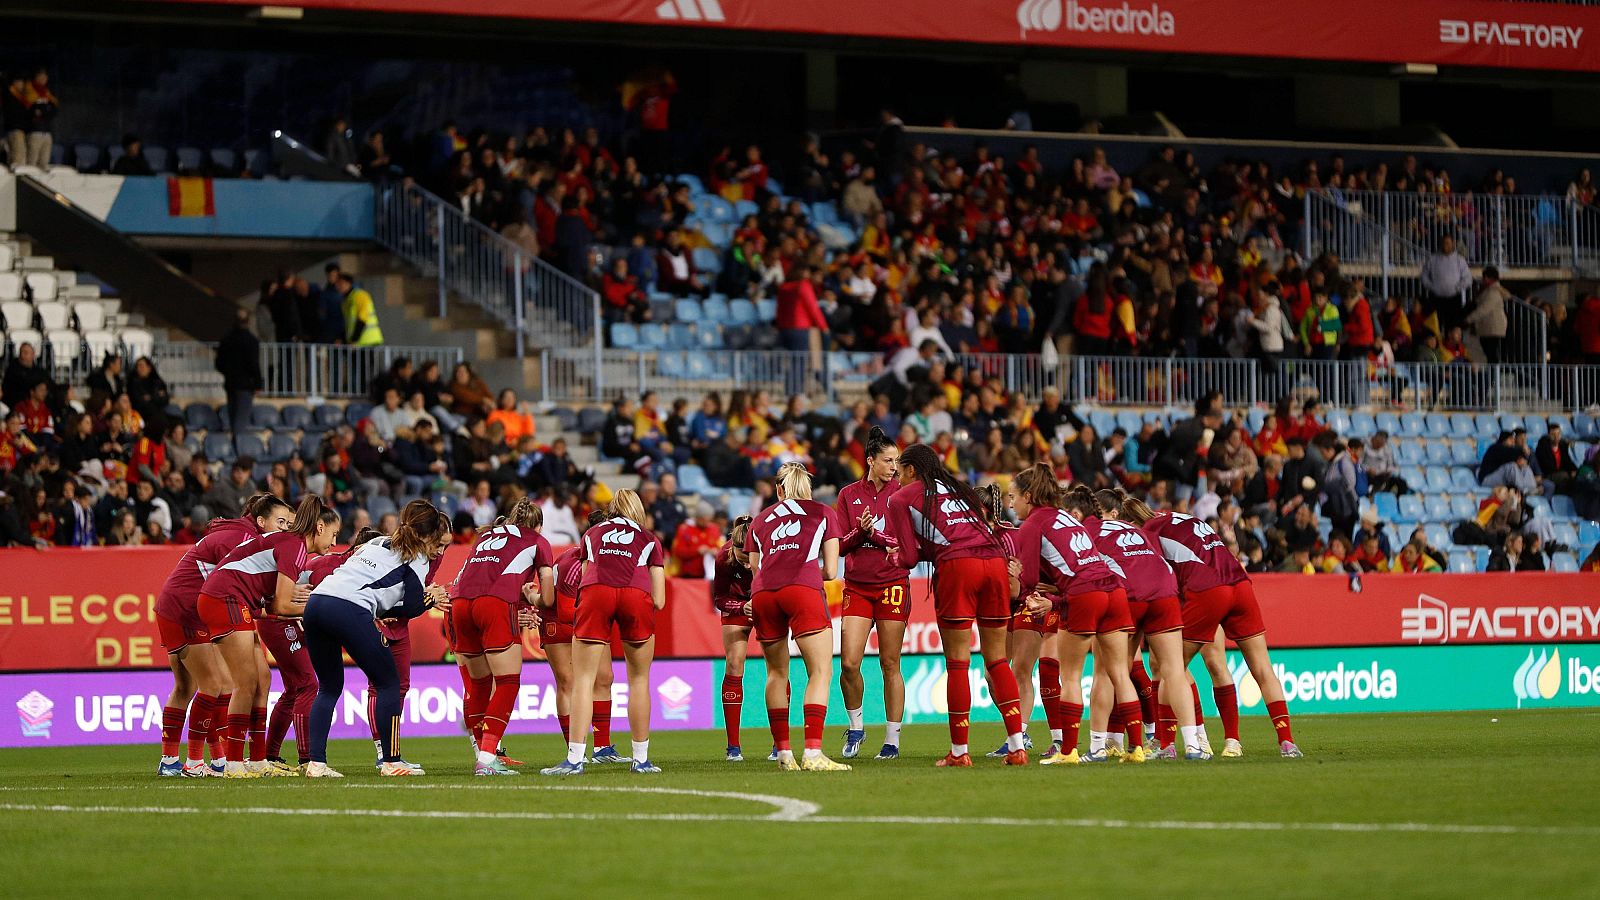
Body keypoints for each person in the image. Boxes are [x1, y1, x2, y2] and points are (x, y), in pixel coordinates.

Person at [1124, 497, 1303, 759]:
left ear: (1130, 523)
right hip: (1240, 585)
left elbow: (1156, 576)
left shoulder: (1148, 531)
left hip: (1208, 591)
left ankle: (1166, 744)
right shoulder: (1181, 517)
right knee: (1262, 668)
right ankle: (1286, 742)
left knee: (1168, 667)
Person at [884, 444, 1028, 768]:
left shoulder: (901, 498)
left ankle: (960, 752)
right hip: (994, 563)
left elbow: (907, 558)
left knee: (958, 664)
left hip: (957, 569)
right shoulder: (962, 490)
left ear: (911, 470)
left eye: (900, 473)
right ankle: (1017, 746)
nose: (897, 480)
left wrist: (894, 555)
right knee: (998, 661)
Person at [301, 500, 449, 777]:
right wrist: (432, 598)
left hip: (316, 604)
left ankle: (316, 763)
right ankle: (392, 761)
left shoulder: (375, 543)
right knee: (389, 683)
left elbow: (370, 591)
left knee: (328, 688)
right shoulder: (414, 556)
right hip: (347, 609)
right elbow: (414, 606)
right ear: (427, 536)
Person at [1008, 465, 1144, 765]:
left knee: (1069, 676)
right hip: (1114, 590)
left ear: (1028, 497)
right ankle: (1136, 748)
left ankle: (1067, 750)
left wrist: (1016, 575)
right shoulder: (1066, 517)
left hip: (1085, 596)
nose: (1010, 504)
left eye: (1013, 496)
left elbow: (1028, 581)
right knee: (1120, 673)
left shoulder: (1031, 525)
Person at [196, 495, 339, 777]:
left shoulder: (292, 544)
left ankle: (259, 759)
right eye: (334, 535)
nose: (335, 543)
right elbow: (282, 606)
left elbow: (276, 605)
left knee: (263, 680)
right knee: (247, 682)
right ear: (319, 528)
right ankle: (234, 763)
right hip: (224, 598)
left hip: (234, 600)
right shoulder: (295, 547)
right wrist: (326, 604)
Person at [152, 494, 293, 777]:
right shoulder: (243, 539)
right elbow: (234, 585)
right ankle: (194, 762)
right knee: (216, 685)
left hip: (179, 606)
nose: (285, 530)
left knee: (189, 687)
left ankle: (182, 760)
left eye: (289, 524)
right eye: (281, 523)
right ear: (261, 521)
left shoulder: (242, 534)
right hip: (187, 609)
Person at [542, 489, 667, 776]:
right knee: (638, 680)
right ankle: (641, 760)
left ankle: (574, 759)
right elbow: (659, 600)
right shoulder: (650, 539)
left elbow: (587, 576)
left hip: (596, 593)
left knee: (583, 680)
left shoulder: (593, 534)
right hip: (636, 595)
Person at [741, 463, 849, 772]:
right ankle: (813, 752)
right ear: (807, 489)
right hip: (802, 589)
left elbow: (755, 569)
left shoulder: (760, 521)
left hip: (763, 594)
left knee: (776, 673)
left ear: (779, 490)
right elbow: (830, 571)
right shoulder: (823, 513)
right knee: (820, 672)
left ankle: (784, 753)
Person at [1089, 487, 1207, 760]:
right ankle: (1194, 744)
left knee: (1111, 671)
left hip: (1128, 597)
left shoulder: (1091, 532)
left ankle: (1105, 744)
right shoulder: (1142, 532)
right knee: (1174, 670)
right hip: (1164, 593)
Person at [451, 497, 554, 776]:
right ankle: (487, 759)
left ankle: (482, 754)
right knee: (507, 683)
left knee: (479, 686)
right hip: (493, 605)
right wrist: (533, 597)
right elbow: (548, 595)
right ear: (539, 525)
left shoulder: (487, 536)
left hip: (459, 604)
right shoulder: (537, 540)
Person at [833, 426, 906, 761]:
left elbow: (902, 543)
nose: (894, 466)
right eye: (888, 460)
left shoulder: (903, 492)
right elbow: (841, 546)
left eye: (897, 461)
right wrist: (859, 533)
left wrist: (870, 534)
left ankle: (892, 740)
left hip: (892, 583)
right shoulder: (848, 495)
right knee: (848, 663)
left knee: (890, 663)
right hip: (858, 586)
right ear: (871, 461)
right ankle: (857, 726)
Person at [538, 510, 622, 763]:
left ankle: (602, 748)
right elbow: (564, 611)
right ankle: (575, 751)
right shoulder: (574, 563)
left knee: (605, 678)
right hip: (559, 621)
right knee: (568, 682)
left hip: (588, 618)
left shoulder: (607, 561)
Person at [712, 515, 755, 761]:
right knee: (734, 663)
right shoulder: (723, 558)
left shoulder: (769, 550)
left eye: (750, 557)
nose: (748, 564)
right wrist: (742, 607)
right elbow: (719, 598)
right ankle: (733, 747)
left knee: (777, 667)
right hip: (738, 607)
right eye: (742, 558)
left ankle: (779, 744)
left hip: (766, 603)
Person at [215, 308, 263, 449]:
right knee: (240, 422)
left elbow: (219, 363)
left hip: (231, 383)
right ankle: (238, 449)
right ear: (248, 322)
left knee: (233, 417)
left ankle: (235, 447)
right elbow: (254, 364)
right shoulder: (251, 341)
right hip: (245, 386)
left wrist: (229, 373)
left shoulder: (226, 339)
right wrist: (258, 383)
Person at [1420, 235, 1473, 332]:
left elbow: (1468, 278)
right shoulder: (1432, 259)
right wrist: (1431, 286)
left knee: (1452, 327)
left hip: (1453, 299)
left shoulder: (1460, 260)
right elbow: (1424, 276)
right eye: (1444, 243)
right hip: (1436, 299)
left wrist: (1457, 288)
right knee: (1436, 327)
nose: (1446, 245)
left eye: (1448, 243)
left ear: (1453, 244)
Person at [1465, 266, 1510, 364]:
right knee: (1490, 353)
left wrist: (1469, 319)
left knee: (1491, 353)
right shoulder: (1490, 290)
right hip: (1489, 327)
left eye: (1485, 277)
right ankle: (1493, 375)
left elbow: (1484, 309)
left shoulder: (1492, 292)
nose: (1483, 279)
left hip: (1492, 327)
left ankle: (1494, 376)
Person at [337, 273, 384, 346]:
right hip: (356, 342)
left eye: (340, 284)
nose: (338, 287)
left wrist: (354, 340)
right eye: (337, 284)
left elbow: (362, 319)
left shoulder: (360, 295)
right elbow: (347, 324)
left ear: (348, 284)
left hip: (366, 340)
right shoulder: (345, 300)